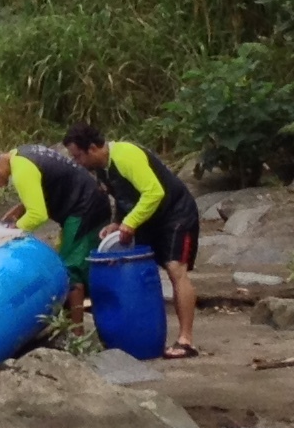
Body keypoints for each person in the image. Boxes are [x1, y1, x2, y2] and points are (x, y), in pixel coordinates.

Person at [67, 121, 202, 359]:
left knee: (175, 269)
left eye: (78, 156)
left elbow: (154, 192)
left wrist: (130, 223)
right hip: (150, 218)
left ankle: (186, 340)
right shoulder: (103, 168)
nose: (78, 162)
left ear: (92, 148)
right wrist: (118, 223)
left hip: (176, 214)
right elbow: (122, 197)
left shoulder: (125, 155)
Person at [0, 142, 115, 322]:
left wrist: (10, 232)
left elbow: (37, 215)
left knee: (70, 269)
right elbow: (50, 180)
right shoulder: (22, 154)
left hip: (85, 209)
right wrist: (21, 207)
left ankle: (77, 332)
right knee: (85, 264)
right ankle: (98, 316)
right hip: (89, 200)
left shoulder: (21, 171)